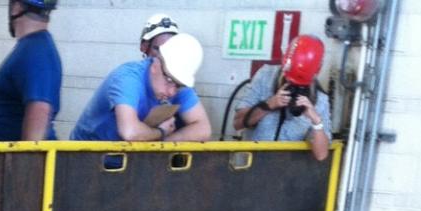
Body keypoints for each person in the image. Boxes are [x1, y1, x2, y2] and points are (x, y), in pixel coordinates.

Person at [71, 31, 211, 143]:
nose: (172, 92)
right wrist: (161, 132)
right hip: (85, 159)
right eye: (169, 80)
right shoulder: (127, 78)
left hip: (128, 161)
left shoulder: (175, 80)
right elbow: (129, 132)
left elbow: (203, 129)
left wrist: (163, 142)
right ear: (155, 64)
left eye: (178, 86)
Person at [234, 34, 330, 162]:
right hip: (252, 164)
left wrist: (316, 121)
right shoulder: (265, 77)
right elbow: (237, 123)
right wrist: (268, 105)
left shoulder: (320, 100)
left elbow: (321, 155)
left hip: (285, 172)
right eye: (290, 81)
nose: (294, 87)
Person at [0, 0, 61, 142]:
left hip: (18, 162)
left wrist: (26, 162)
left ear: (16, 7)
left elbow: (40, 109)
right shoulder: (32, 46)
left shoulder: (36, 51)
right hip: (7, 159)